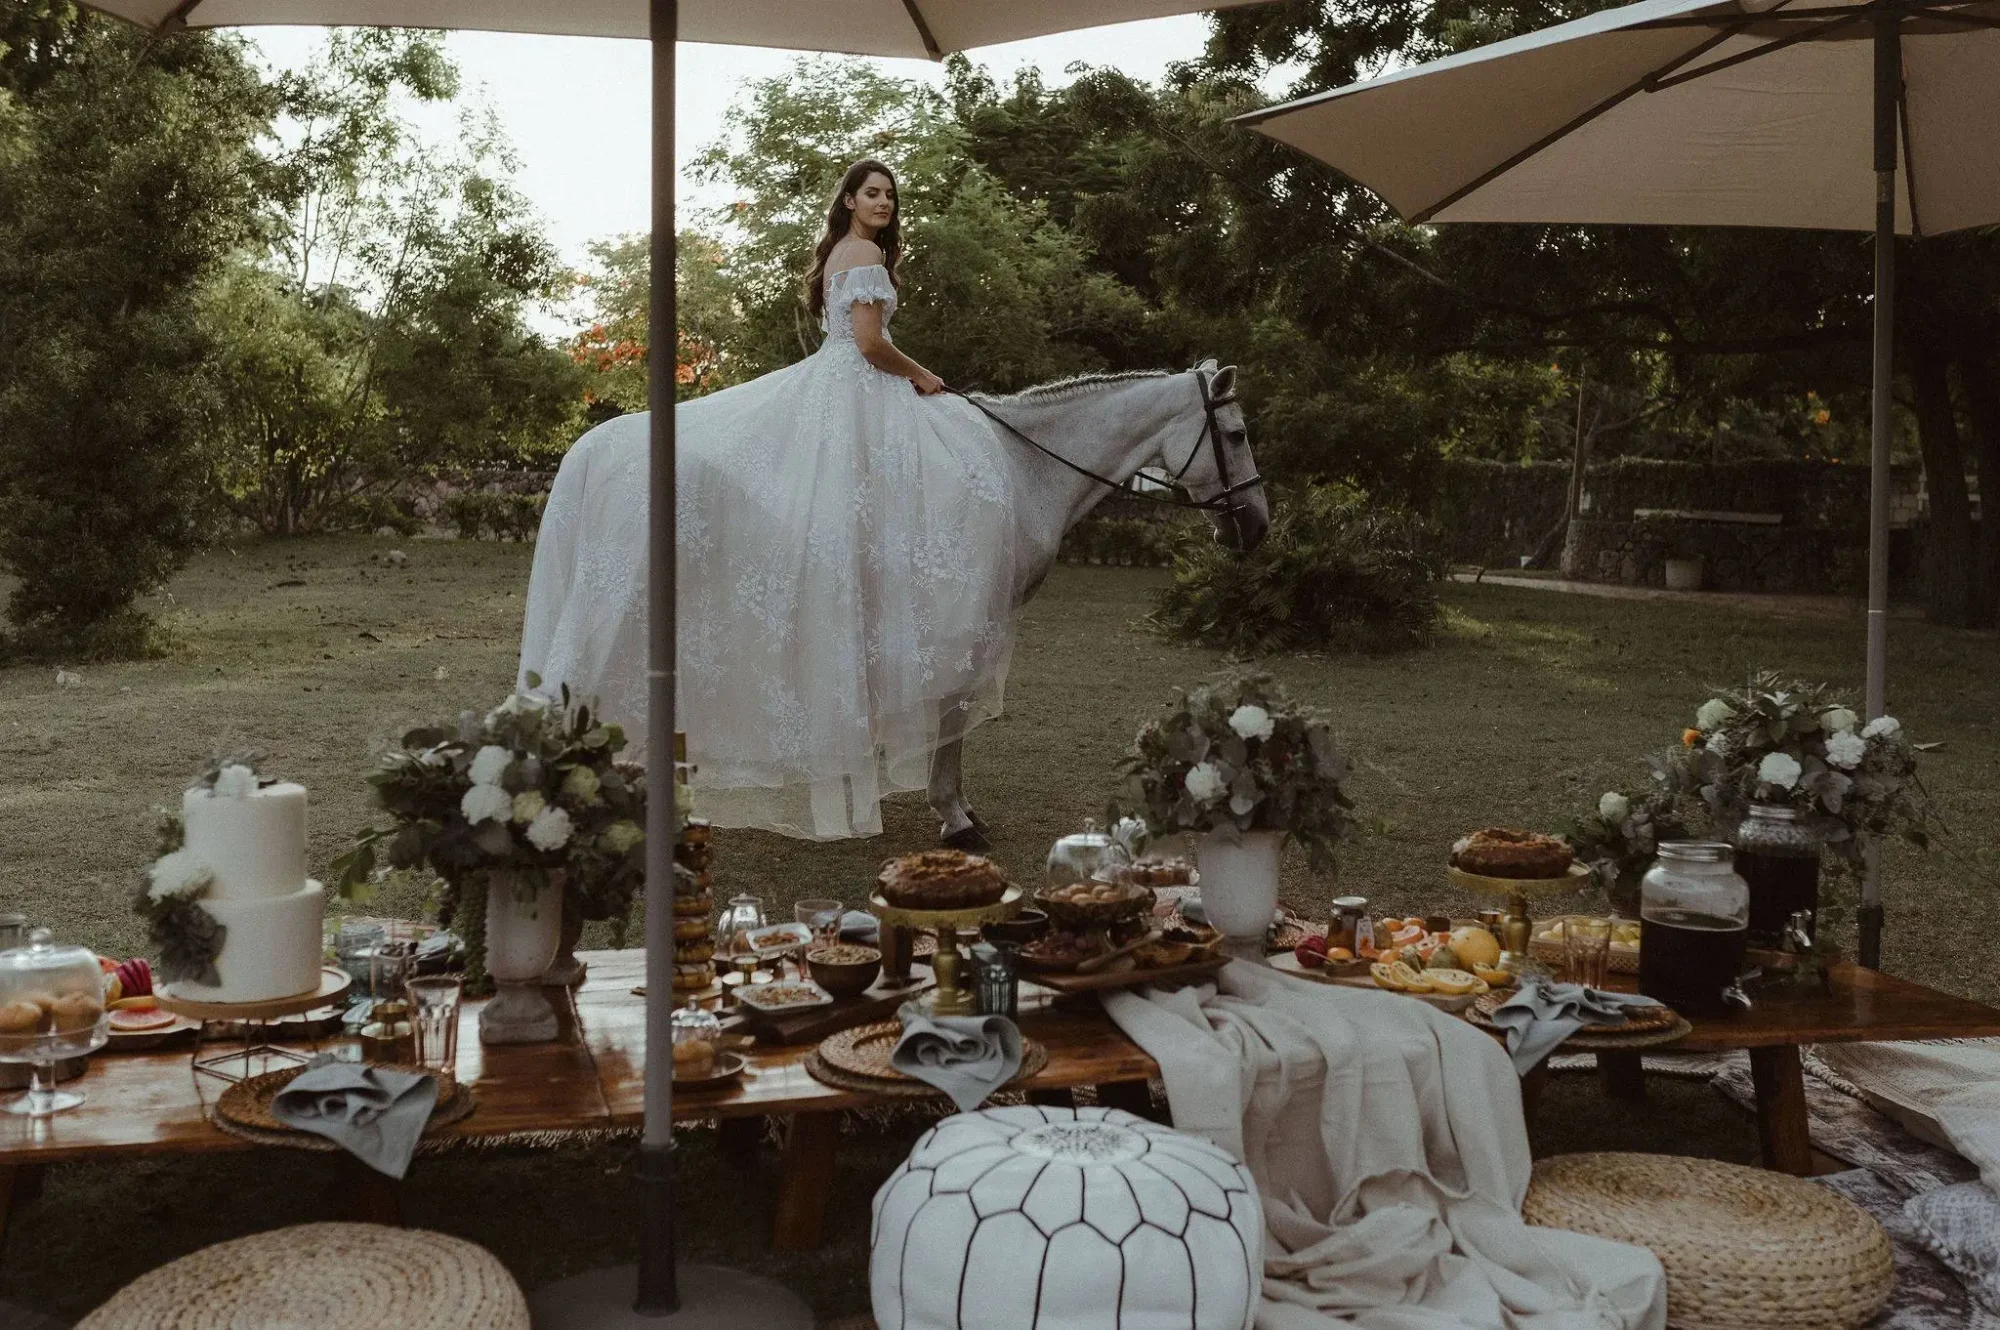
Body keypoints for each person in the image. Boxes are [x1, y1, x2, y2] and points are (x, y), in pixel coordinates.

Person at [519, 160, 1024, 841]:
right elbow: (871, 344)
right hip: (856, 396)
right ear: (848, 200)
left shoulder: (843, 254)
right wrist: (923, 374)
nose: (882, 201)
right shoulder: (866, 252)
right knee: (935, 487)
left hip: (838, 388)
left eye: (890, 195)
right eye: (871, 191)